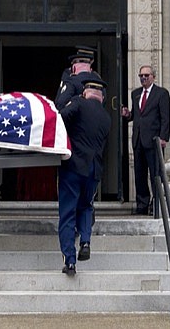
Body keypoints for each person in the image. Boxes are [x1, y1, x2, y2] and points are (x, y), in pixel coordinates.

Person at [57, 78, 111, 276]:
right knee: (86, 206)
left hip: (73, 167)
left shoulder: (78, 103)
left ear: (85, 92)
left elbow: (61, 118)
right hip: (93, 170)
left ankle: (70, 261)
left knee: (68, 212)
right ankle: (86, 240)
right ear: (102, 97)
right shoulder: (106, 117)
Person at [120, 65, 170, 215]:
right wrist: (128, 115)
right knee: (139, 174)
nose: (143, 78)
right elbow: (137, 115)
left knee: (155, 174)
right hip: (138, 140)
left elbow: (165, 118)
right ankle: (142, 205)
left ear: (153, 77)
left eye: (146, 76)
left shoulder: (161, 93)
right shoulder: (136, 94)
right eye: (141, 76)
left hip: (154, 140)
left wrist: (164, 137)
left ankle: (156, 205)